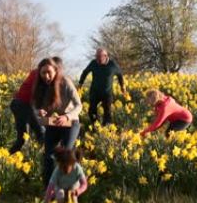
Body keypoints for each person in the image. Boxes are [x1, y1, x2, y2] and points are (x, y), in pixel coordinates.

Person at [34, 57, 83, 185]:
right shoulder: (40, 87)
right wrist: (39, 112)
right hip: (53, 124)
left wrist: (67, 116)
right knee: (48, 157)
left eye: (49, 72)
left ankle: (69, 187)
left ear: (56, 71)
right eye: (43, 72)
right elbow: (34, 108)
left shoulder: (65, 82)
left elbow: (79, 105)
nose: (46, 75)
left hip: (70, 123)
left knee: (65, 156)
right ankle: (48, 189)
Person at [78, 48, 126, 126]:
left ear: (105, 56)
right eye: (96, 57)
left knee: (107, 112)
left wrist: (122, 86)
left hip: (107, 93)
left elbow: (120, 75)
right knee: (91, 111)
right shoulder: (93, 63)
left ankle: (106, 129)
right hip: (94, 92)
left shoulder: (112, 65)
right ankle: (95, 126)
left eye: (99, 57)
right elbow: (85, 72)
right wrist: (80, 84)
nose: (97, 60)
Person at [8, 60, 47, 154]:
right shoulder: (38, 75)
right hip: (23, 105)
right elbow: (34, 93)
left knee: (22, 139)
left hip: (17, 104)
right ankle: (50, 162)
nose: (47, 75)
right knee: (41, 133)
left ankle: (7, 157)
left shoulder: (37, 72)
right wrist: (38, 109)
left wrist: (38, 109)